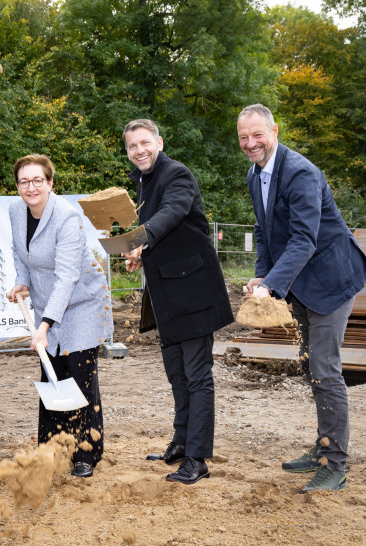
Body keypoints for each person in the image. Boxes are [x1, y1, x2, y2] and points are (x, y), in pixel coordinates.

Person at [236, 104, 366, 493]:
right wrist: (262, 273)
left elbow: (303, 240)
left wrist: (271, 288)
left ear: (274, 130)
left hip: (331, 280)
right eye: (244, 137)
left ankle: (335, 464)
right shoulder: (255, 174)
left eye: (257, 134)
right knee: (311, 364)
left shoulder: (300, 173)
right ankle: (323, 446)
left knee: (325, 369)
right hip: (302, 281)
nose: (251, 143)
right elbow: (264, 232)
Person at [121, 119, 234, 485]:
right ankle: (182, 443)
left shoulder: (177, 174)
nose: (139, 150)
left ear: (159, 141)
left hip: (194, 291)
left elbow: (173, 212)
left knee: (198, 376)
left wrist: (142, 237)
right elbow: (162, 232)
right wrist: (142, 250)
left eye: (144, 143)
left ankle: (197, 458)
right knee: (177, 374)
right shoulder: (142, 181)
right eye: (132, 146)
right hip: (167, 294)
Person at [7, 154, 112, 478]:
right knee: (51, 371)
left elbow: (68, 276)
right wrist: (21, 280)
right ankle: (50, 449)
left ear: (50, 183)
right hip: (49, 302)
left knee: (79, 373)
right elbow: (19, 252)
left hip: (82, 302)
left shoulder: (66, 217)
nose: (31, 187)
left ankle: (86, 452)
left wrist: (44, 326)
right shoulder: (16, 211)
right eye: (24, 181)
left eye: (38, 180)